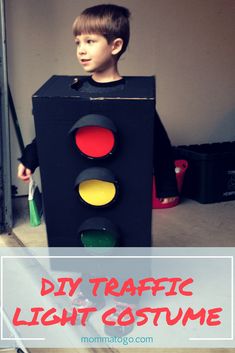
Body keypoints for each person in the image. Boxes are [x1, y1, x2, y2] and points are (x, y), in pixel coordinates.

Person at [17, 4, 178, 336]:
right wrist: (29, 158)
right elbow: (50, 131)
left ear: (115, 45)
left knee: (121, 240)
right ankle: (88, 294)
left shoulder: (135, 99)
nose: (81, 50)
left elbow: (158, 142)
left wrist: (166, 185)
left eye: (89, 41)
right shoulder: (71, 94)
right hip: (81, 185)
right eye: (77, 42)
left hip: (121, 187)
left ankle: (121, 301)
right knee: (86, 237)